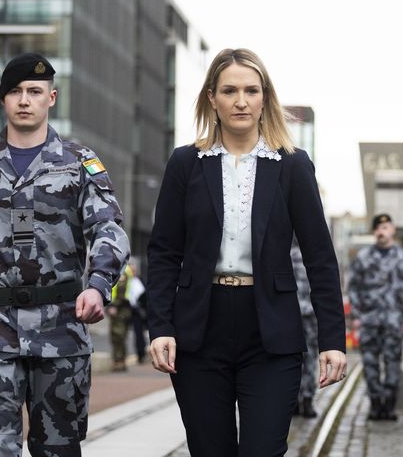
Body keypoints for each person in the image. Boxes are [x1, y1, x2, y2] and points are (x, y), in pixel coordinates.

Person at [0, 52, 130, 456]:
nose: (24, 100)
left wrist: (99, 284)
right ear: (3, 100)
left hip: (61, 331)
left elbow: (108, 229)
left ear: (50, 98)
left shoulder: (78, 163)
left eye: (34, 91)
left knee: (58, 447)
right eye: (15, 92)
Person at [146, 48, 347, 456]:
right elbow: (164, 252)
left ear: (264, 98)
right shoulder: (186, 163)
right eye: (230, 90)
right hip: (200, 331)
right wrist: (161, 327)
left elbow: (320, 257)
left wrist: (333, 340)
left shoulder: (292, 165)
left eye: (251, 91)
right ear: (211, 99)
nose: (241, 101)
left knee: (263, 450)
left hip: (270, 331)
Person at [347, 214, 403, 421]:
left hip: (394, 320)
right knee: (370, 364)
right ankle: (376, 404)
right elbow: (353, 289)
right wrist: (357, 316)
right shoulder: (363, 257)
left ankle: (389, 405)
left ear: (393, 229)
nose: (381, 231)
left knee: (393, 363)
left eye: (385, 227)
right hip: (369, 320)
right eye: (378, 228)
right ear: (373, 232)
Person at [291, 239, 319, 418]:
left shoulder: (314, 252)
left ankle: (307, 399)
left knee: (309, 358)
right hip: (288, 315)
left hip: (308, 316)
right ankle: (293, 400)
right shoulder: (279, 250)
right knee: (290, 359)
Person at [126, 261, 148, 363]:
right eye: (131, 270)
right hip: (128, 310)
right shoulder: (125, 280)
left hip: (139, 311)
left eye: (134, 270)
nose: (133, 271)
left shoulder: (140, 279)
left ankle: (141, 353)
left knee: (140, 333)